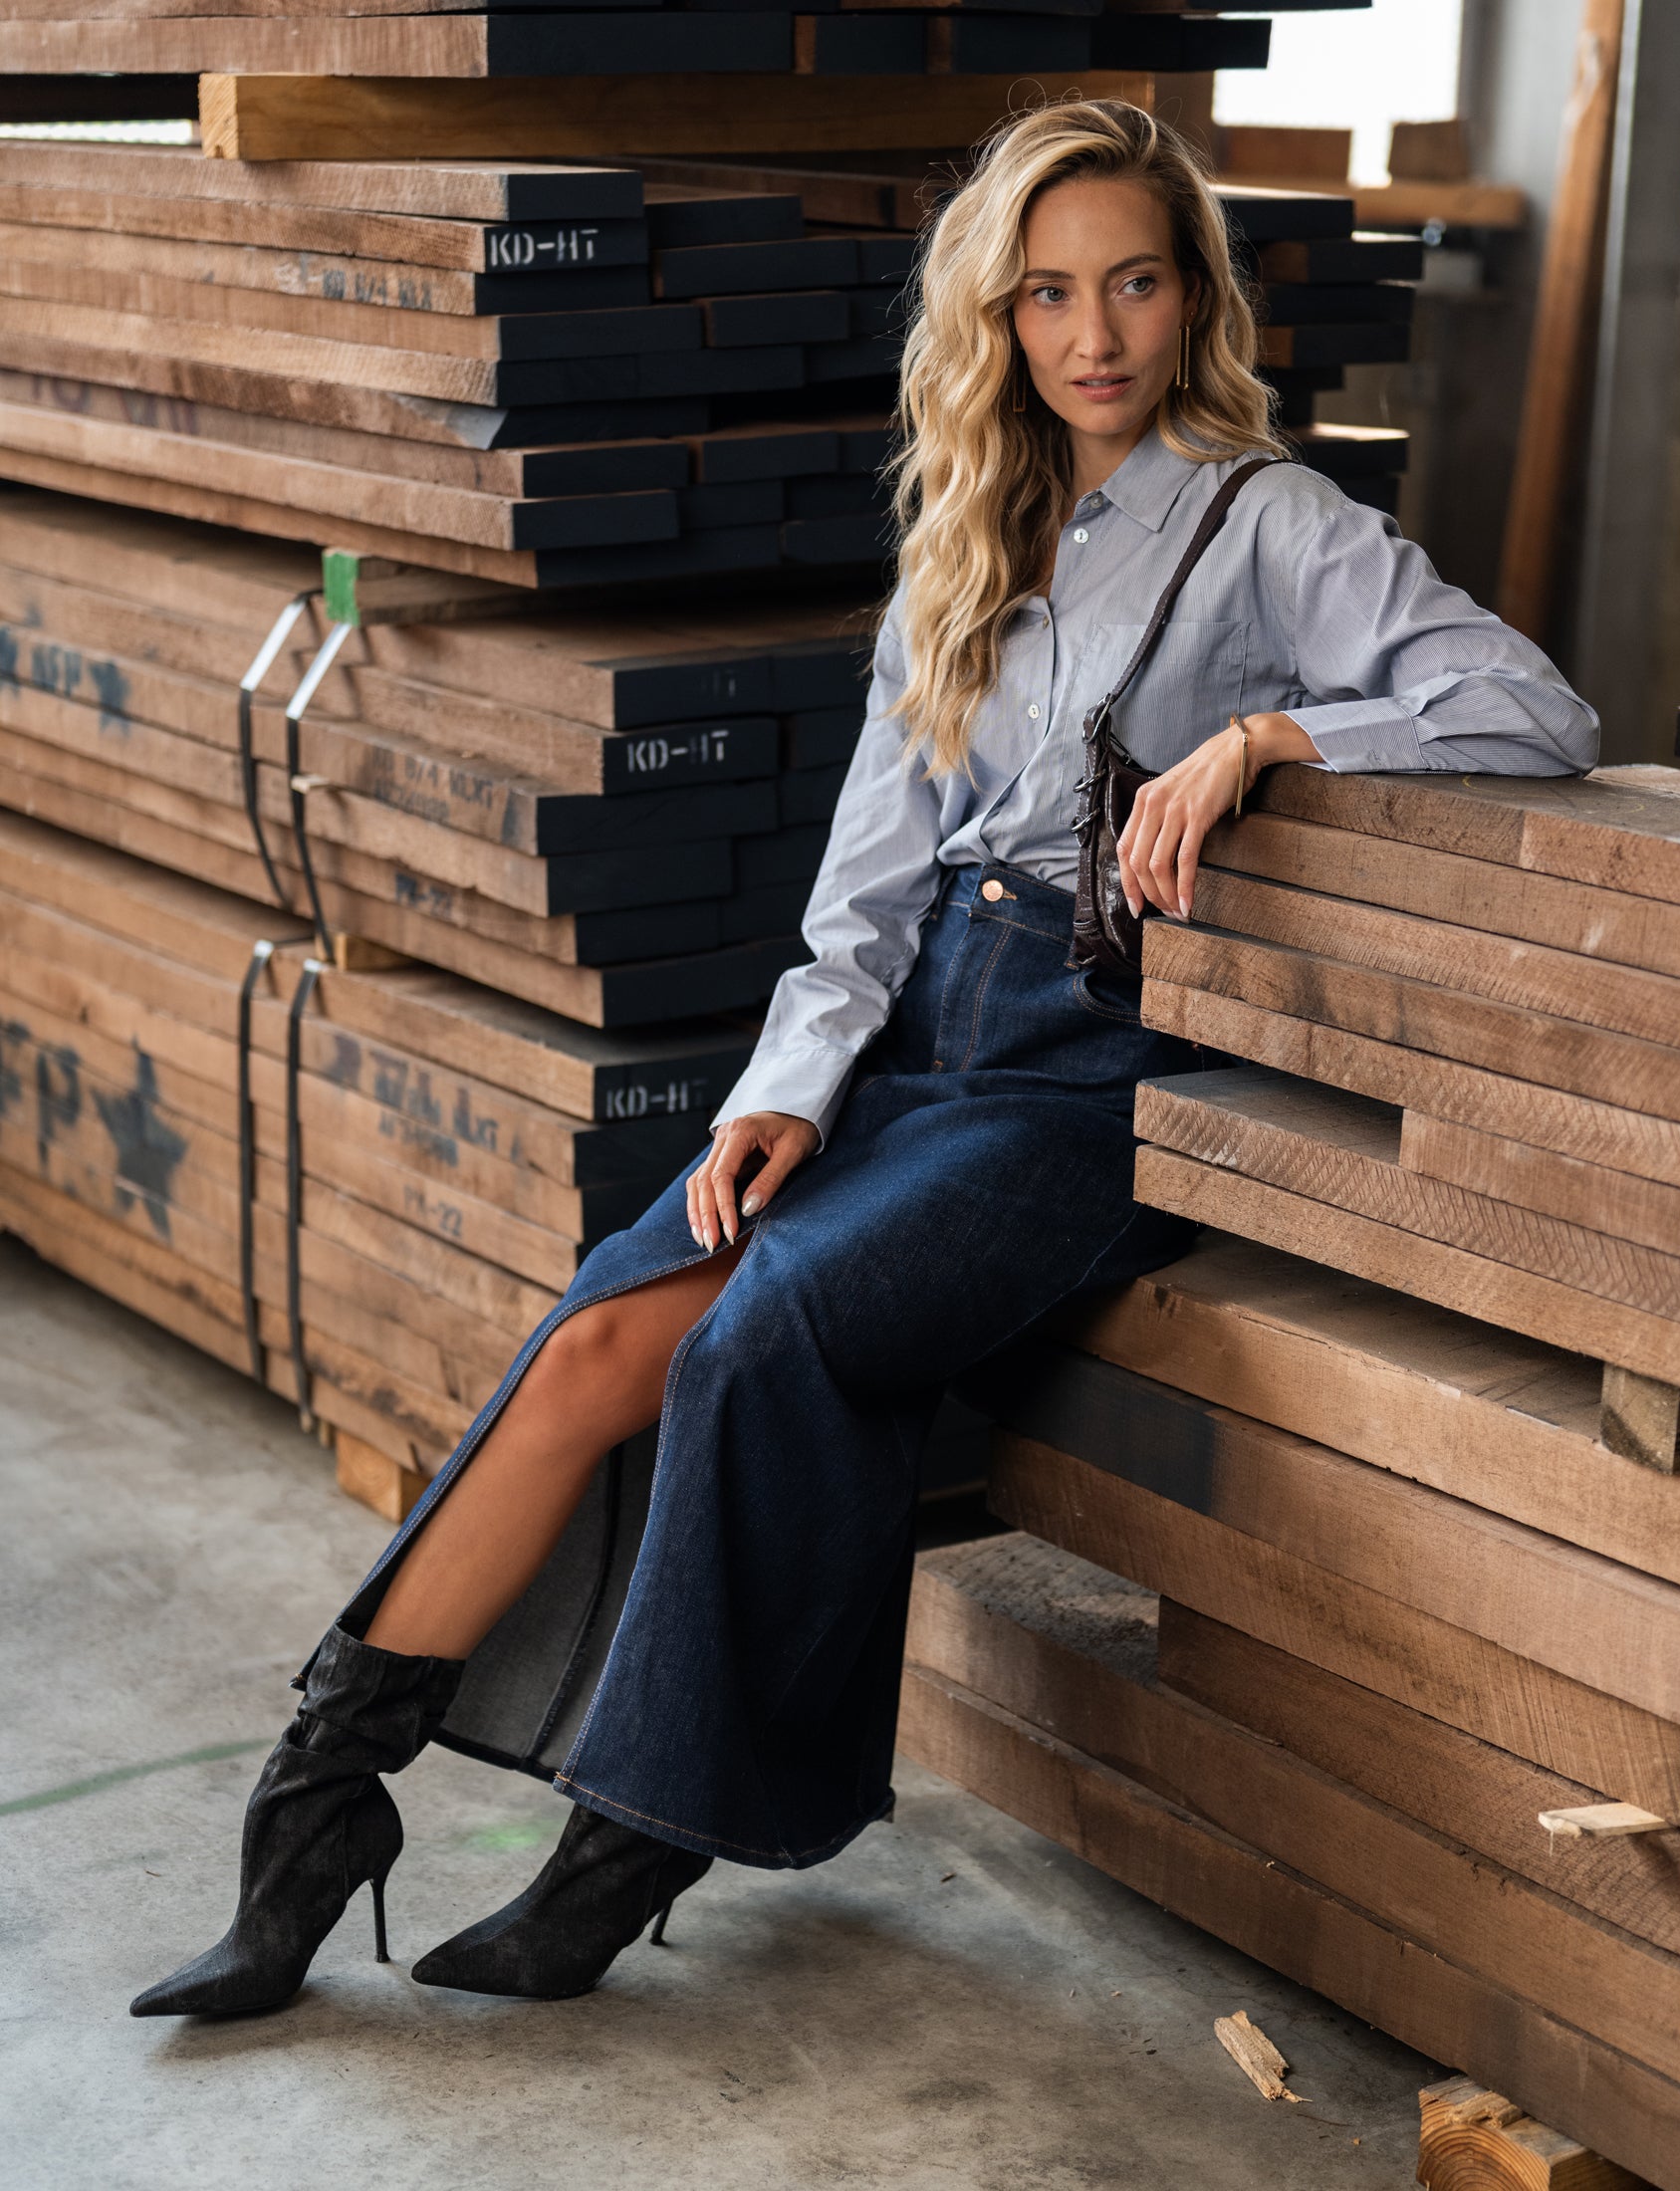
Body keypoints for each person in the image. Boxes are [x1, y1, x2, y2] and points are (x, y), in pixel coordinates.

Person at [131, 97, 1595, 2017]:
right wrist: (781, 1095)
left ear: (1193, 296)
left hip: (1092, 1077)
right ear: (997, 317)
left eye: (1134, 283)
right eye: (1048, 293)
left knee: (768, 1331)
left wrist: (1267, 743)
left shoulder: (1269, 523)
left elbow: (1530, 708)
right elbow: (868, 892)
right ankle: (314, 1819)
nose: (1094, 334)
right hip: (911, 1043)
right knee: (596, 1343)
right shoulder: (967, 539)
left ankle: (634, 1836)